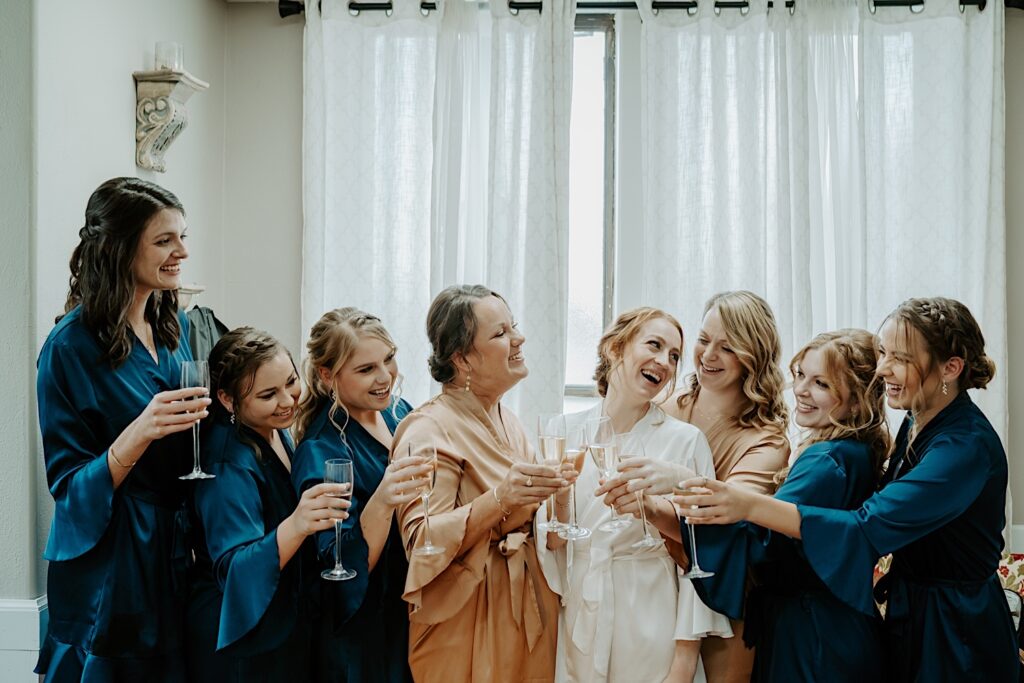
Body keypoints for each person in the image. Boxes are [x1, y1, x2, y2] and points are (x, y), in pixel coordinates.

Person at [683, 298, 1018, 681]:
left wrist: (745, 505)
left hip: (958, 631)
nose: (883, 369)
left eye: (901, 359)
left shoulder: (964, 448)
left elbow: (866, 527)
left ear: (951, 368)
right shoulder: (919, 417)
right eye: (883, 353)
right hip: (912, 611)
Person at [35, 177, 210, 681]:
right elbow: (68, 487)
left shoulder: (168, 326)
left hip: (170, 553)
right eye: (164, 240)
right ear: (117, 248)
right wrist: (141, 431)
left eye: (183, 236)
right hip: (112, 562)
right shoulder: (69, 349)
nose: (182, 251)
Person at [679, 329, 888, 681]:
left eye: (821, 383)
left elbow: (761, 541)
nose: (802, 390)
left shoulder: (827, 460)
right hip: (842, 624)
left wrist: (671, 504)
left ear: (856, 401)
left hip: (812, 637)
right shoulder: (860, 451)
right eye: (801, 375)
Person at [536, 308, 729, 683]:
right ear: (615, 347)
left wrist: (684, 662)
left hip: (652, 617)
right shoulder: (563, 431)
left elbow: (702, 551)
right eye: (654, 345)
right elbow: (555, 544)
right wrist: (560, 497)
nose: (665, 362)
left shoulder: (686, 441)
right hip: (581, 617)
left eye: (674, 355)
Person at [606, 290, 790, 682]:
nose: (707, 356)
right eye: (704, 340)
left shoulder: (766, 441)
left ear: (753, 355)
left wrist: (677, 482)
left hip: (724, 603)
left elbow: (723, 526)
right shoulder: (666, 409)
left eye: (727, 347)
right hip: (657, 597)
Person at [395, 284, 570, 683]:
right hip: (468, 617)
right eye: (501, 333)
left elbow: (545, 532)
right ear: (462, 359)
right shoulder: (428, 431)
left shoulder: (510, 420)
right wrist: (500, 498)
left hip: (528, 611)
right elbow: (422, 542)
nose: (519, 339)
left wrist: (559, 497)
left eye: (515, 327)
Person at [185, 328, 350, 681]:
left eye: (290, 382)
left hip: (280, 625)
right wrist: (298, 523)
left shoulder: (274, 429)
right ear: (228, 400)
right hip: (242, 640)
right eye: (267, 395)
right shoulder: (226, 465)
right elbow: (233, 568)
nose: (288, 401)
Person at [291, 308, 430, 682]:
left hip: (408, 614)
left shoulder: (398, 412)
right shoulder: (321, 451)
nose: (385, 377)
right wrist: (382, 501)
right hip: (361, 635)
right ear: (327, 374)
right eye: (366, 369)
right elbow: (341, 570)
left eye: (388, 359)